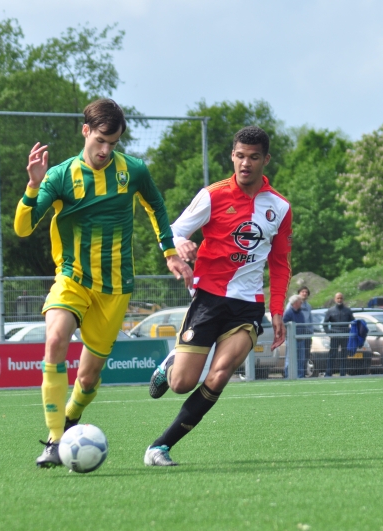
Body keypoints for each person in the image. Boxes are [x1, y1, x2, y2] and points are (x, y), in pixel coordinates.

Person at [13, 98, 191, 468]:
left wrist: (169, 251)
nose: (106, 150)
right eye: (101, 141)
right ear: (86, 132)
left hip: (115, 289)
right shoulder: (60, 176)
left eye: (114, 143)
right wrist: (32, 186)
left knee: (89, 379)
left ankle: (71, 419)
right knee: (55, 339)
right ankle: (54, 441)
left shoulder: (133, 171)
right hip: (73, 280)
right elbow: (23, 227)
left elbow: (155, 206)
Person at [144, 125, 292, 466]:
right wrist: (179, 244)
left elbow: (281, 264)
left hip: (248, 306)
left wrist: (277, 310)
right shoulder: (212, 195)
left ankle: (160, 447)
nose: (245, 164)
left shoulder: (280, 208)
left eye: (254, 158)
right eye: (240, 156)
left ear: (265, 160)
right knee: (182, 384)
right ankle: (171, 366)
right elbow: (173, 230)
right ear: (232, 156)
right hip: (208, 298)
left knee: (222, 373)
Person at [322, 293, 354, 377]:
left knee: (344, 355)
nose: (339, 300)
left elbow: (353, 322)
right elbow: (325, 324)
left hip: (345, 336)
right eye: (338, 298)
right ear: (335, 299)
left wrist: (350, 332)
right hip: (334, 336)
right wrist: (329, 333)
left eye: (341, 298)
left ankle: (342, 373)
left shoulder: (348, 310)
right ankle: (328, 373)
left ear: (343, 299)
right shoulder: (330, 310)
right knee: (332, 354)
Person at [286, 286, 313, 373]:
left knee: (303, 356)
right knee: (291, 356)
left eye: (306, 292)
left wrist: (310, 332)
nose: (304, 294)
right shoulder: (290, 307)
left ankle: (301, 374)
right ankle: (289, 373)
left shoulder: (308, 306)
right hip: (293, 336)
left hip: (304, 335)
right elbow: (285, 321)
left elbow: (310, 320)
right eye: (302, 292)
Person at [283, 294, 307, 378]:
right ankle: (288, 375)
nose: (301, 303)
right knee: (289, 358)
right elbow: (284, 324)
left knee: (301, 359)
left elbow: (303, 325)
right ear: (296, 302)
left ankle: (300, 376)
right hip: (291, 340)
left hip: (300, 339)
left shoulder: (300, 313)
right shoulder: (288, 313)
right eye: (300, 301)